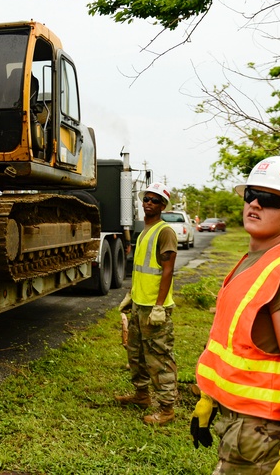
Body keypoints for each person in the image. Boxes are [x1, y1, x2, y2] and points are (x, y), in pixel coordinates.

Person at [190, 156, 280, 474]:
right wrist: (209, 399)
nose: (254, 203)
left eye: (269, 199)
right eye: (251, 193)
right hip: (240, 429)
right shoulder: (253, 260)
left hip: (268, 440)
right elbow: (231, 345)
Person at [115, 181, 179, 425]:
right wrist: (131, 296)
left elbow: (167, 271)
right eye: (146, 199)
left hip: (155, 308)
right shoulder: (144, 231)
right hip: (140, 305)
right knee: (137, 355)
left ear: (162, 206)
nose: (149, 203)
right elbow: (142, 270)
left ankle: (167, 409)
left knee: (159, 359)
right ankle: (141, 395)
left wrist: (159, 306)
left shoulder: (165, 232)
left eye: (155, 200)